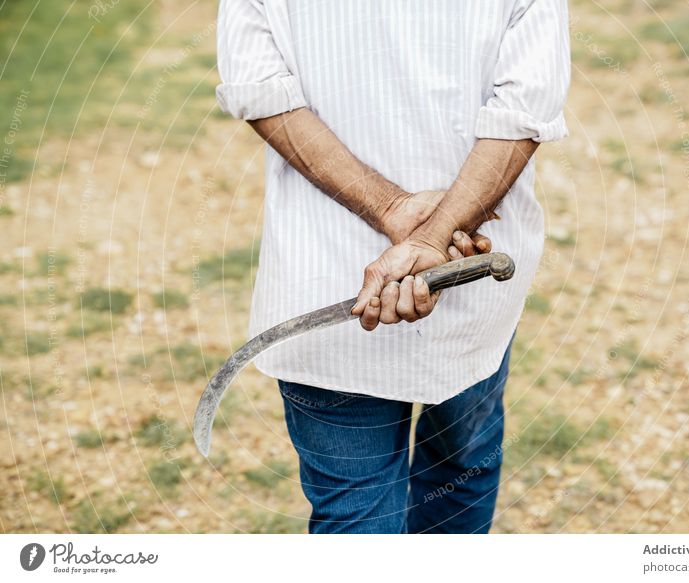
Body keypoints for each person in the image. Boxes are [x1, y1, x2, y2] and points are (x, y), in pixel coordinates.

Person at [215, 0, 570, 533]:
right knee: (459, 468)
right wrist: (431, 228)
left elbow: (258, 86)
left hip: (338, 269)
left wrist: (398, 213)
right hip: (467, 259)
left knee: (358, 503)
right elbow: (524, 105)